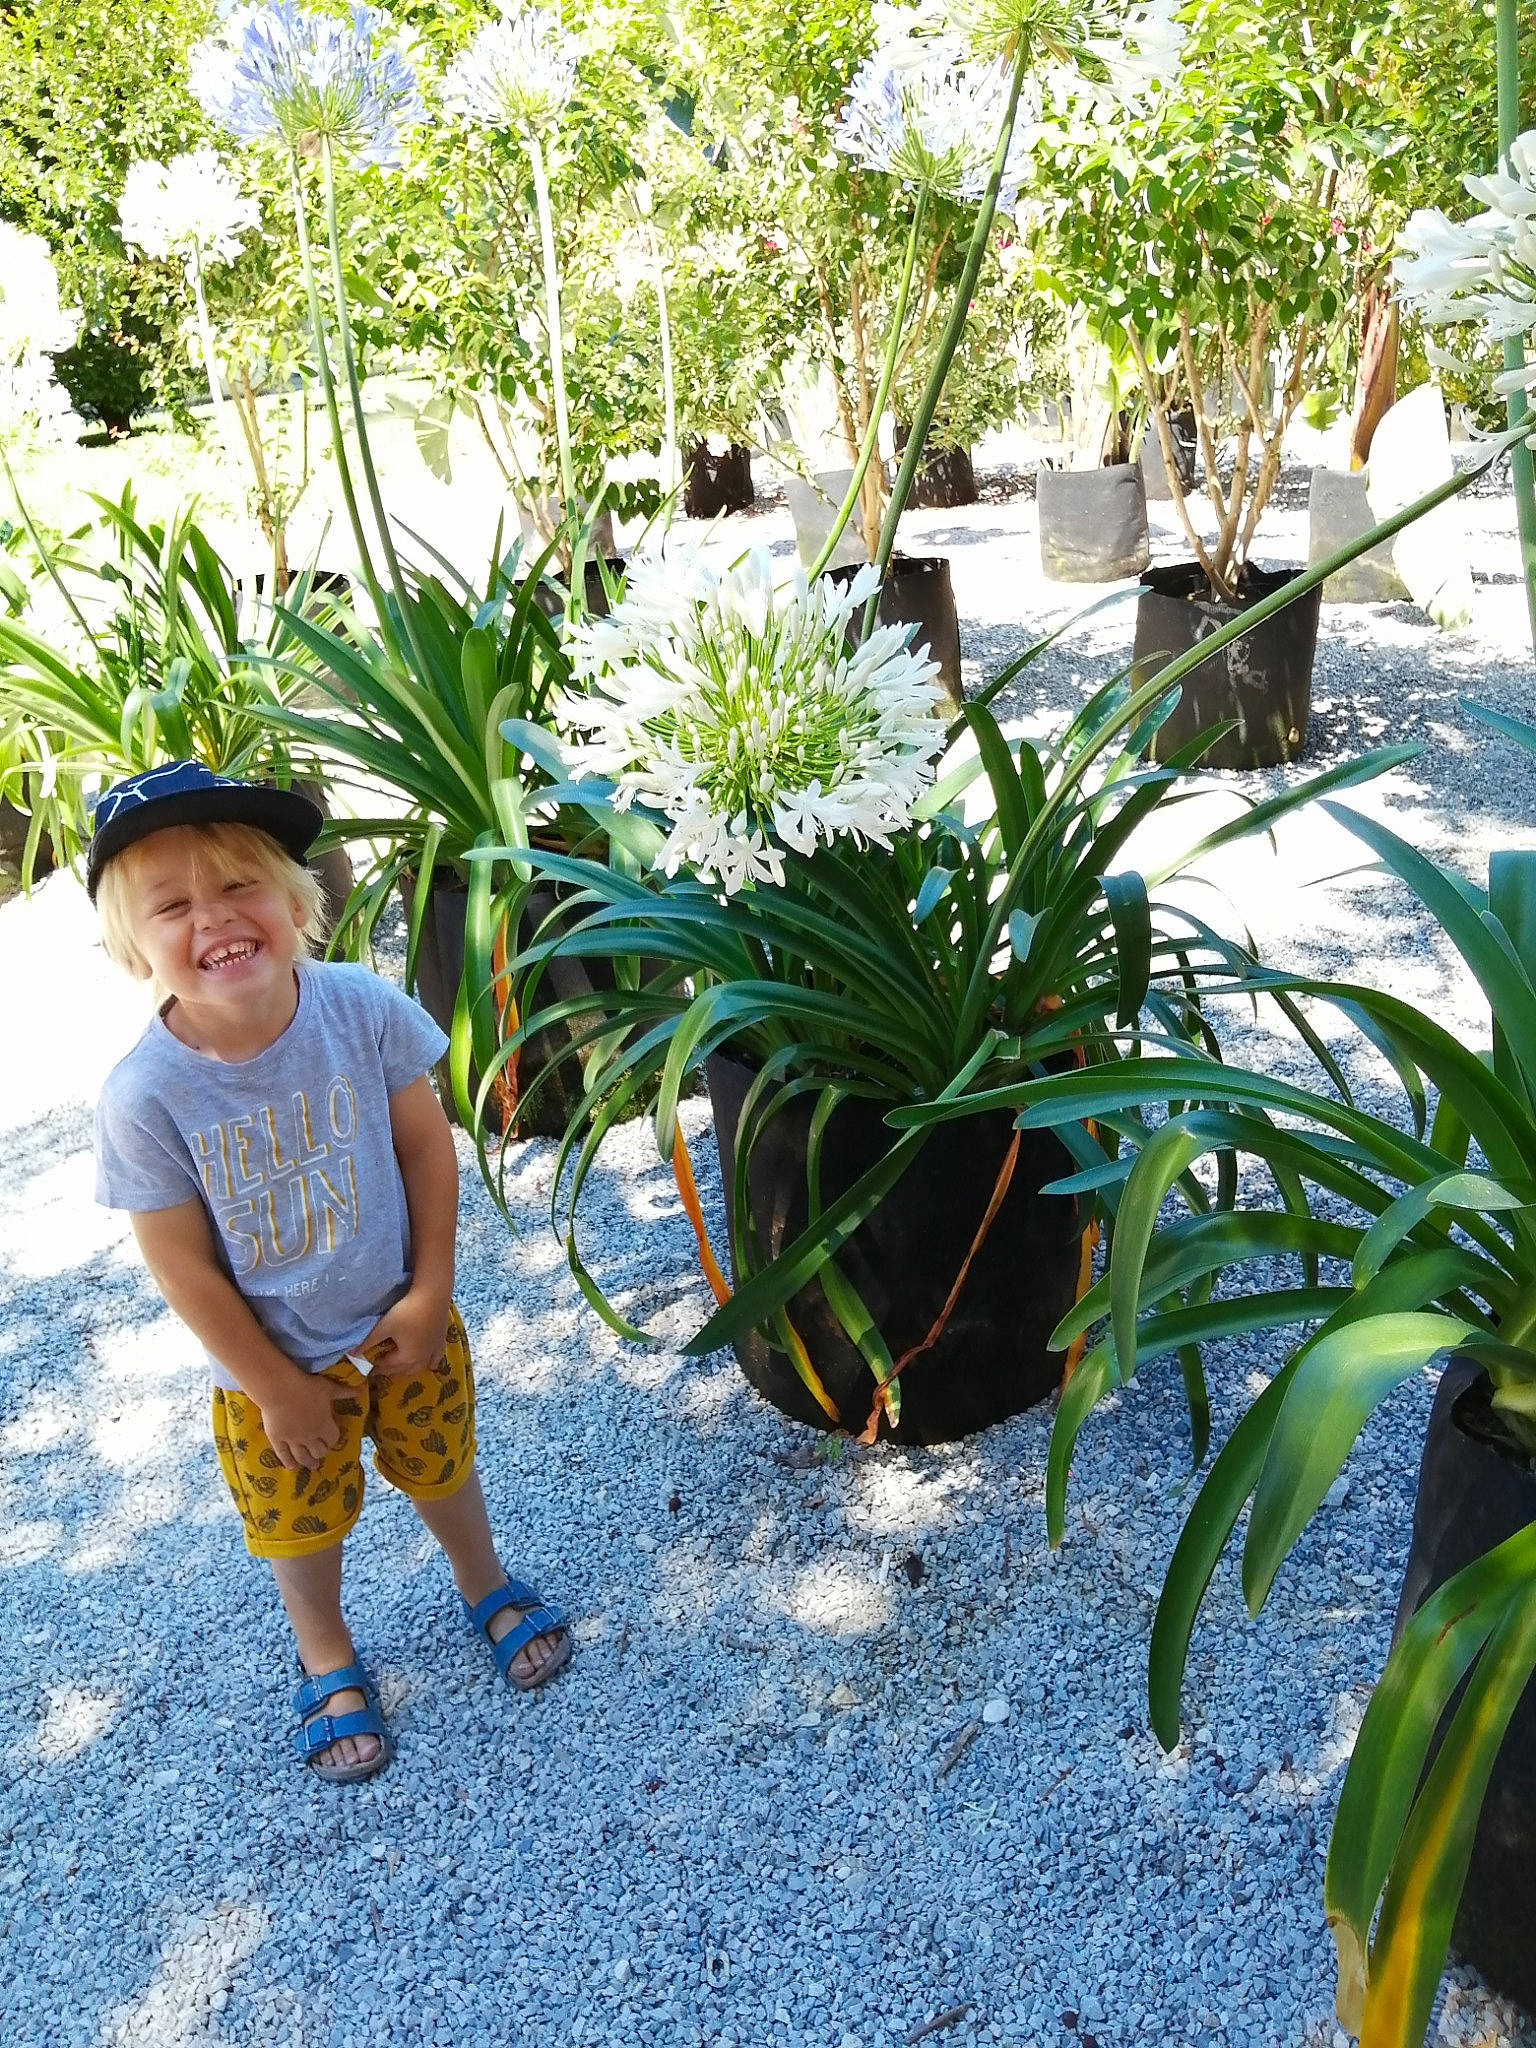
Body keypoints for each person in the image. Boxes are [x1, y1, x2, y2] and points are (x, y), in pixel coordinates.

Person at [89, 760, 571, 1784]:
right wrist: (273, 1382)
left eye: (238, 884)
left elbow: (425, 1147)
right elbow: (181, 1266)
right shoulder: (145, 1096)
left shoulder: (360, 1007)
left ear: (298, 897)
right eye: (172, 905)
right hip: (268, 1370)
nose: (213, 917)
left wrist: (431, 1289)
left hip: (404, 1320)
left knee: (443, 1465)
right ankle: (325, 1645)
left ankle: (479, 1574)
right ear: (132, 944)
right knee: (296, 1524)